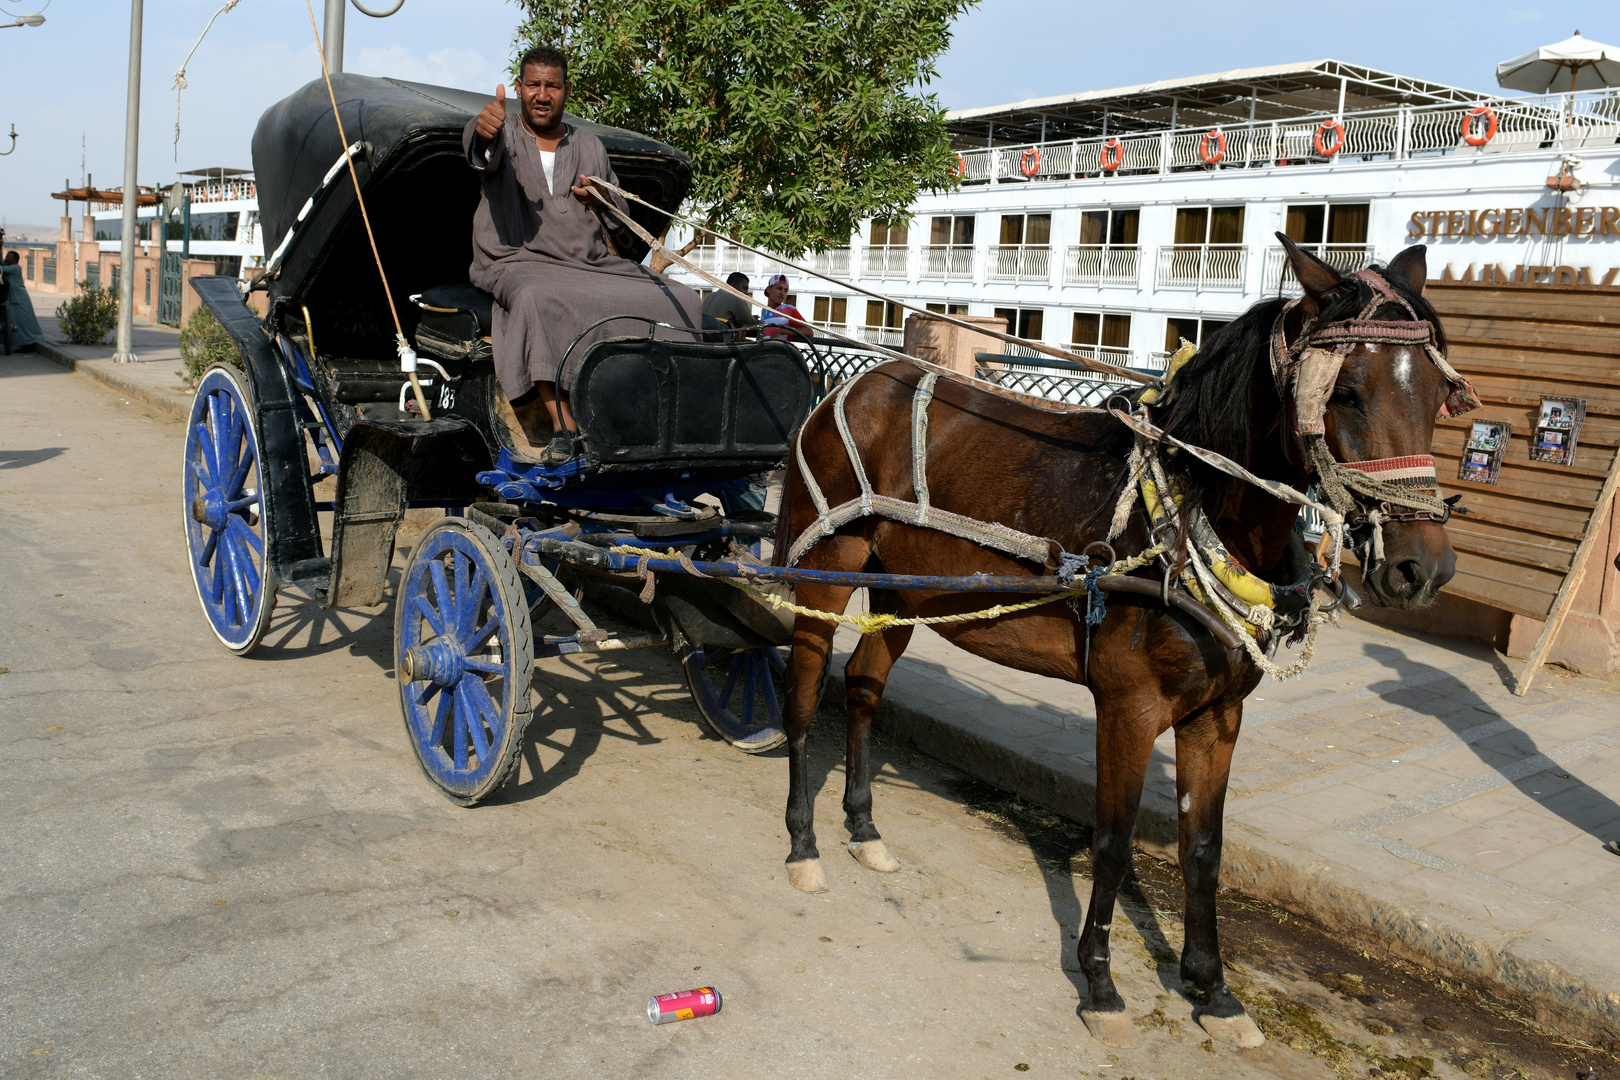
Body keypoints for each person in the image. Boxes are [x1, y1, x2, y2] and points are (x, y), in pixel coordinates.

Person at [465, 45, 702, 464]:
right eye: (533, 85)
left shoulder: (590, 145)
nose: (542, 94)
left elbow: (619, 221)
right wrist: (485, 131)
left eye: (552, 86)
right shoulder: (502, 132)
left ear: (566, 91)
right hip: (515, 262)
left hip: (591, 265)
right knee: (537, 298)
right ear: (518, 88)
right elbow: (480, 149)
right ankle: (565, 429)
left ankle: (663, 419)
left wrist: (599, 200)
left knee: (681, 298)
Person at [1, 251, 43, 351]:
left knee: (24, 321)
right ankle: (23, 342)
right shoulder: (9, 267)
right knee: (16, 321)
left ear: (15, 260)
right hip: (13, 298)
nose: (6, 259)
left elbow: (1, 268)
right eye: (6, 257)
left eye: (9, 258)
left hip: (20, 298)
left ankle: (30, 342)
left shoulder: (15, 268)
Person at [701, 272, 756, 339]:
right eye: (745, 288)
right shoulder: (736, 297)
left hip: (704, 341)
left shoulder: (709, 296)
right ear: (734, 285)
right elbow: (750, 324)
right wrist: (755, 320)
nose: (747, 293)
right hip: (725, 343)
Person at [759, 273, 811, 340]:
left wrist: (782, 331)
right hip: (764, 349)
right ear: (769, 289)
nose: (782, 293)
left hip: (781, 350)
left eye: (785, 290)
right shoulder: (764, 310)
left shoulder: (789, 309)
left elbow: (809, 331)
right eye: (779, 288)